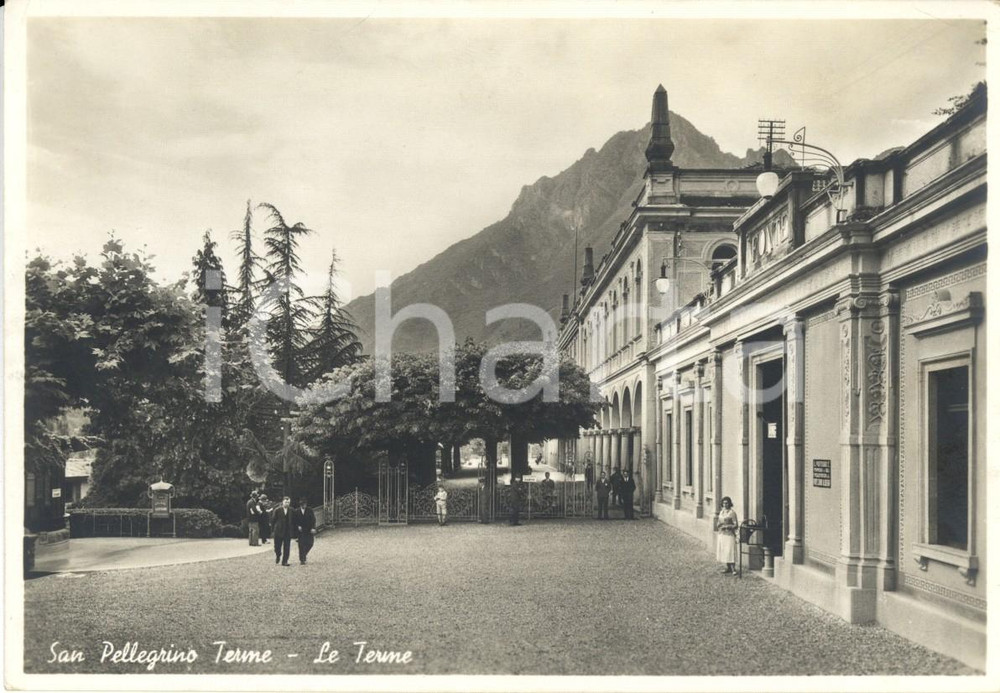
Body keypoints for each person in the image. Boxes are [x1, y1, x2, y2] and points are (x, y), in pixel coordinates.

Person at [717, 496, 738, 574]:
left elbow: (736, 525)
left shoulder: (732, 513)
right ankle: (728, 567)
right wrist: (719, 525)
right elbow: (718, 522)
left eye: (726, 503)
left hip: (729, 535)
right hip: (722, 534)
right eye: (723, 503)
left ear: (729, 503)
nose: (725, 505)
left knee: (730, 550)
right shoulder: (721, 512)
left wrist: (728, 526)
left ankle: (733, 569)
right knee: (724, 551)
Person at [270, 496, 293, 566]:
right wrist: (272, 530)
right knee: (277, 546)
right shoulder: (277, 510)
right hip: (278, 531)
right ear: (282, 502)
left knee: (287, 547)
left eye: (288, 502)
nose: (287, 504)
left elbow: (293, 520)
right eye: (286, 502)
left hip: (287, 531)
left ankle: (285, 561)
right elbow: (273, 520)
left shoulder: (291, 510)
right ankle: (278, 555)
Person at [293, 498, 317, 565]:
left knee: (310, 543)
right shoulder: (297, 511)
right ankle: (302, 559)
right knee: (301, 545)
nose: (304, 506)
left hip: (309, 529)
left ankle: (304, 555)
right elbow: (294, 521)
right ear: (300, 505)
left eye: (305, 504)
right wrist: (297, 526)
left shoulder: (310, 510)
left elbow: (313, 520)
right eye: (303, 505)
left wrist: (313, 528)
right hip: (301, 531)